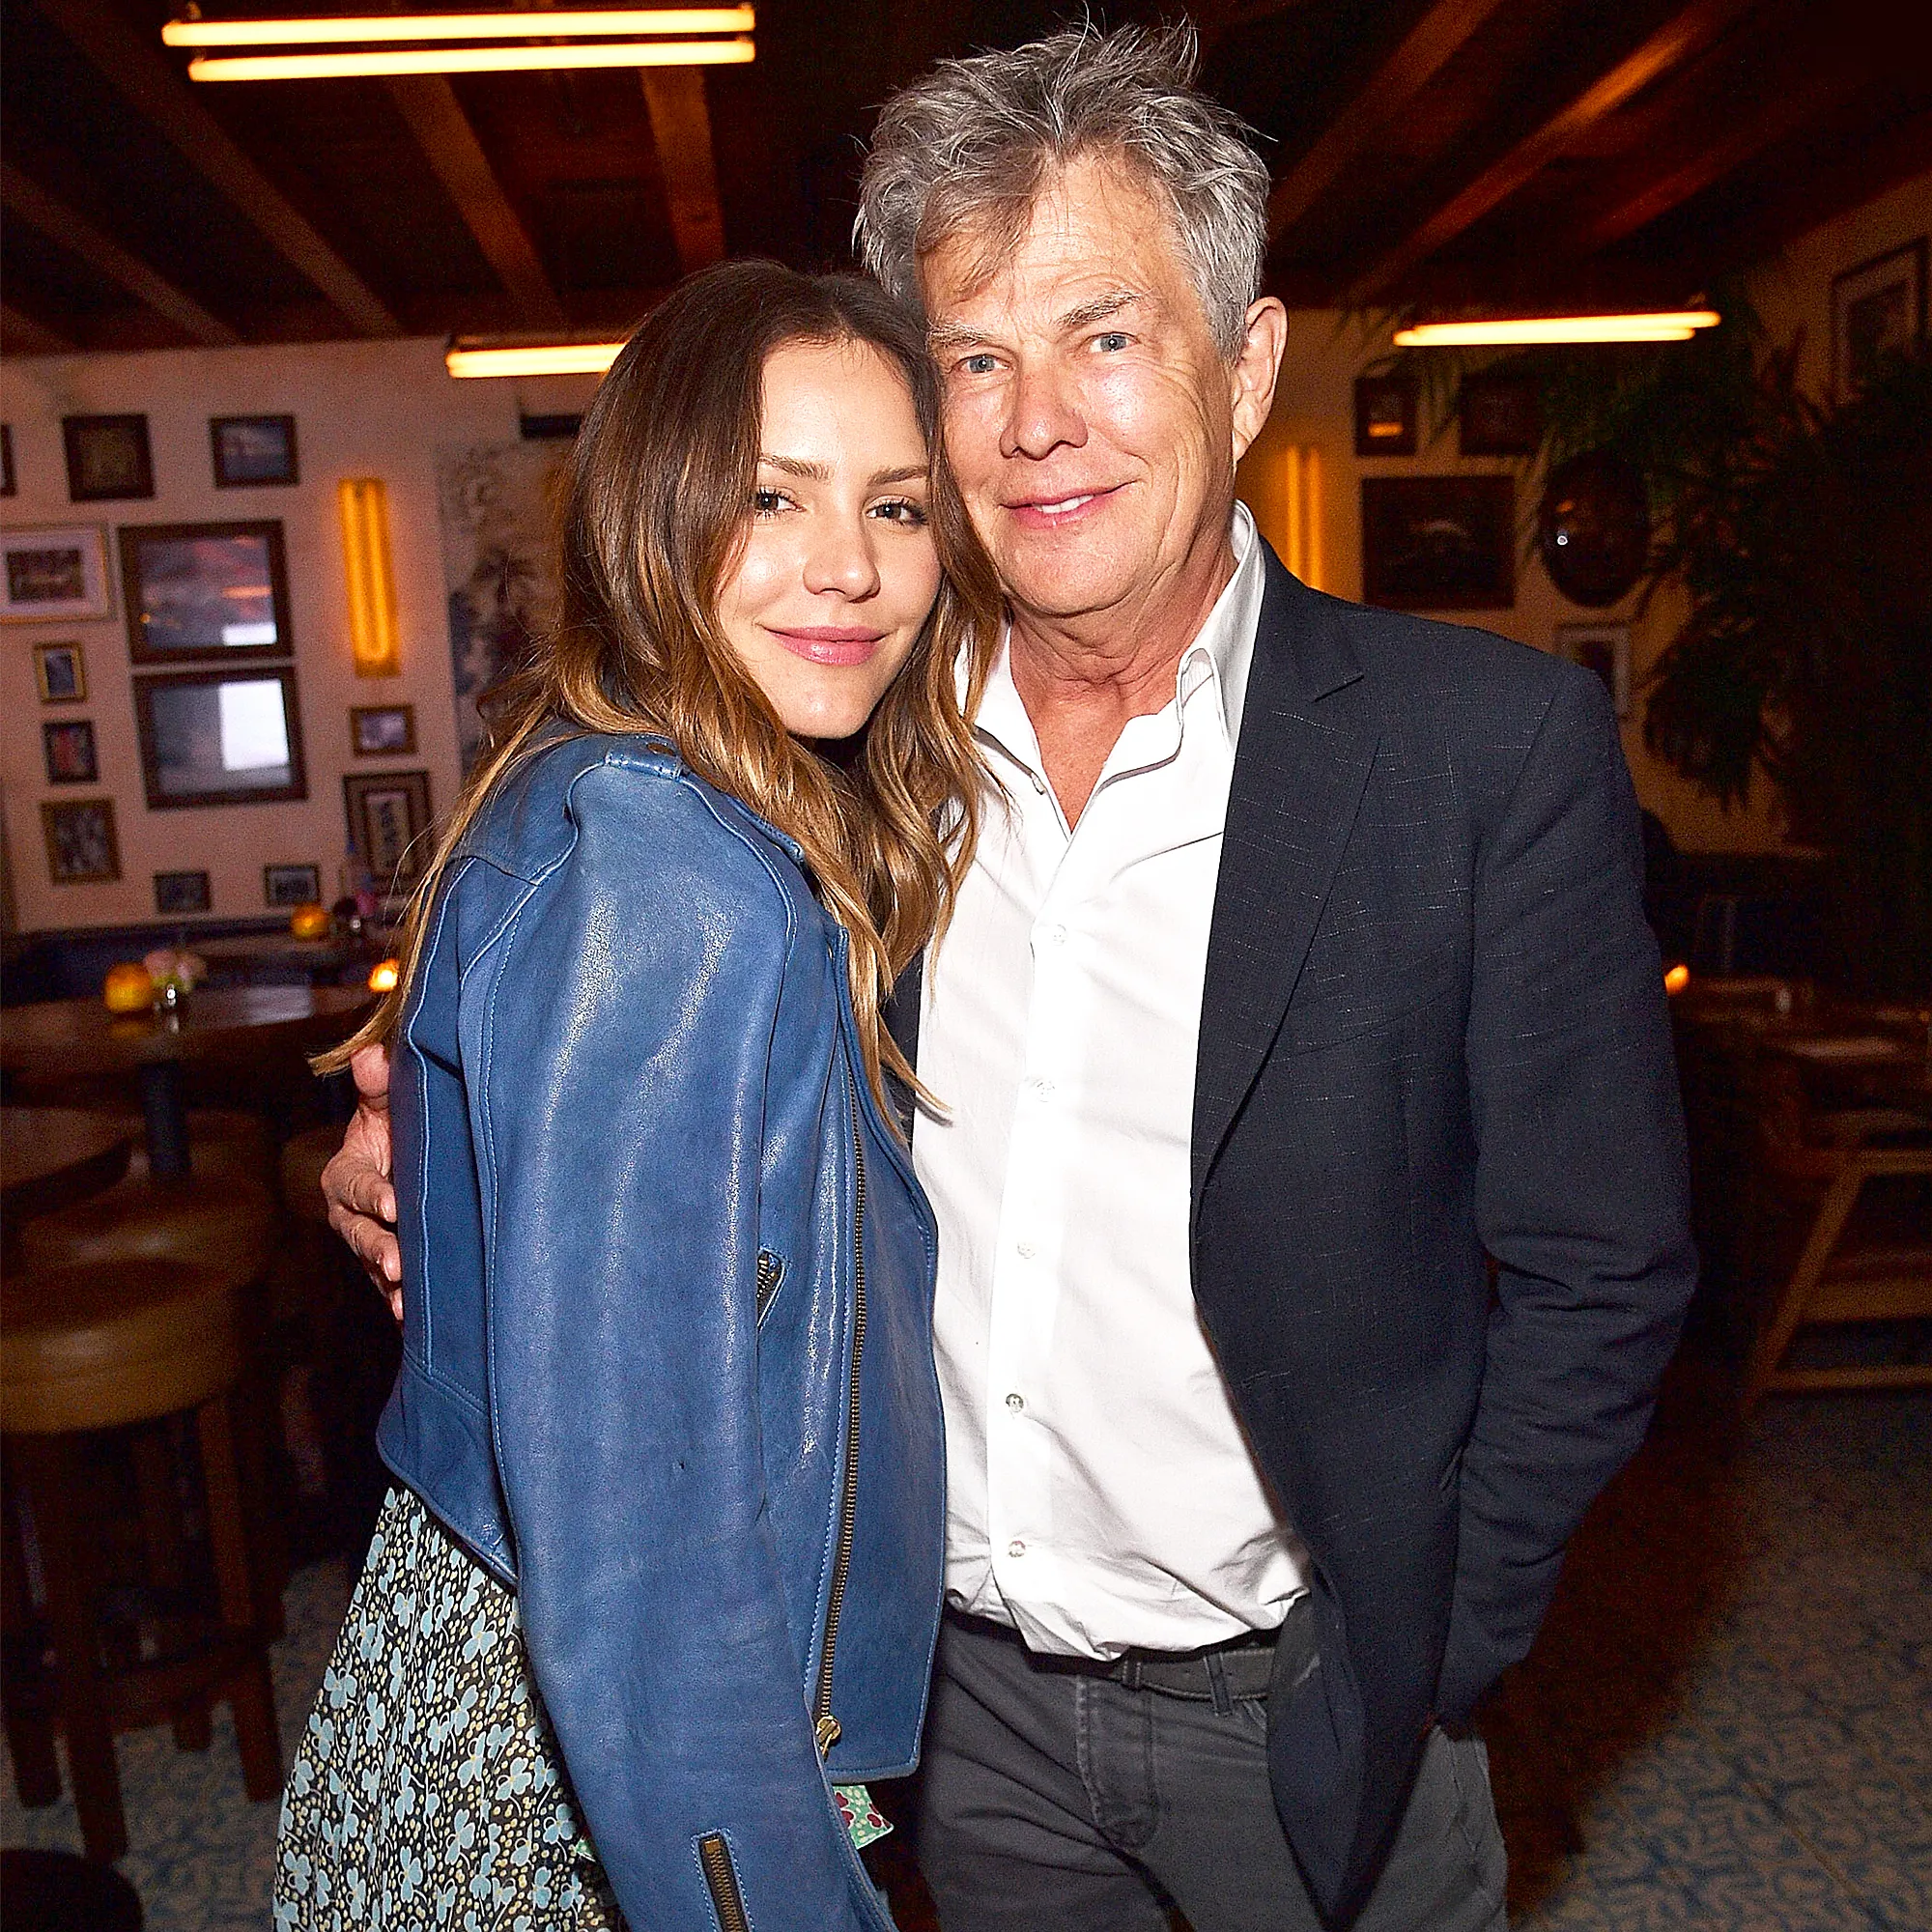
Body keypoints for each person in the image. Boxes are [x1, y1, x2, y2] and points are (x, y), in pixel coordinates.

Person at [327, 25, 1697, 1932]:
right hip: (937, 1711)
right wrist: (438, 1161)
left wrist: (1436, 1627)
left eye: (1105, 335)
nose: (1035, 417)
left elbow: (1601, 1261)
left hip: (1299, 1710)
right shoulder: (829, 757)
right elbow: (639, 1087)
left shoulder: (1477, 755)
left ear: (1248, 363)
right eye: (974, 355)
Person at [278, 260, 1001, 1932]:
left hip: (487, 1669)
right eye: (771, 498)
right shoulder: (678, 872)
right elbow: (642, 1537)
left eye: (898, 505)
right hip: (595, 1756)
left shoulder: (615, 781)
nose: (851, 566)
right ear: (652, 520)